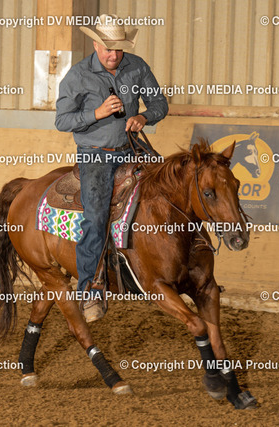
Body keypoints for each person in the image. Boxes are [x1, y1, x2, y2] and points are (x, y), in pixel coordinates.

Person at [55, 14, 168, 322]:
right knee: (96, 217)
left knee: (171, 188)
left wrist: (144, 117)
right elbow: (62, 120)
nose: (113, 55)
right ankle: (90, 289)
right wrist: (97, 113)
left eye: (118, 49)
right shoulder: (78, 75)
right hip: (95, 155)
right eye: (107, 49)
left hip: (132, 148)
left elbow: (160, 104)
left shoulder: (137, 67)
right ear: (95, 45)